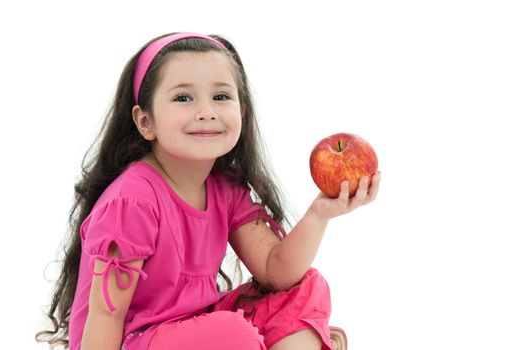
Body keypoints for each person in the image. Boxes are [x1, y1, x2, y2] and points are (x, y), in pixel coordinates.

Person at [36, 32, 380, 350]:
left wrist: (320, 213)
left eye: (220, 96)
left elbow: (277, 271)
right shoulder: (133, 200)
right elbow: (106, 315)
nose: (206, 112)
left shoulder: (224, 188)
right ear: (145, 122)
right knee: (233, 335)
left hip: (198, 326)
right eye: (183, 97)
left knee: (305, 286)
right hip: (135, 339)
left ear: (241, 113)